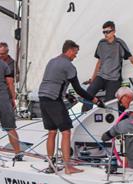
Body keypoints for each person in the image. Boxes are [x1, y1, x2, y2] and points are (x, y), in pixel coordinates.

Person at [38, 40, 104, 174]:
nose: (76, 56)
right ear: (70, 50)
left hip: (42, 97)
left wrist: (67, 95)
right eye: (76, 52)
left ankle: (51, 165)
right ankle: (68, 167)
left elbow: (54, 81)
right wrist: (96, 100)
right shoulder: (69, 66)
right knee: (66, 132)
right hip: (54, 100)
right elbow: (79, 90)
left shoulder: (52, 61)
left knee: (51, 132)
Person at [83, 21, 133, 111]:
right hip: (101, 76)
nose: (105, 34)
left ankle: (109, 122)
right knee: (88, 93)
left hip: (114, 79)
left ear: (114, 31)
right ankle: (85, 114)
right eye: (104, 32)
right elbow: (99, 62)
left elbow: (132, 59)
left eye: (108, 31)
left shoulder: (120, 43)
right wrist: (92, 79)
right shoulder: (101, 43)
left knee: (110, 103)